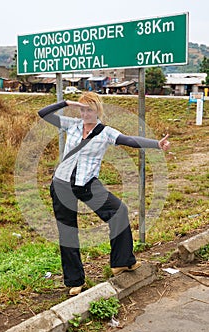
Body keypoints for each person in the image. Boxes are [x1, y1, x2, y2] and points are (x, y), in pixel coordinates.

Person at [38, 92, 170, 296]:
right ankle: (75, 281)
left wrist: (156, 144)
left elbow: (129, 140)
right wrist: (66, 102)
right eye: (82, 109)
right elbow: (43, 113)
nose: (85, 114)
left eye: (89, 110)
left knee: (118, 212)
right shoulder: (71, 124)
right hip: (62, 184)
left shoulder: (105, 132)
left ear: (98, 110)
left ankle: (122, 262)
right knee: (68, 232)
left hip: (87, 184)